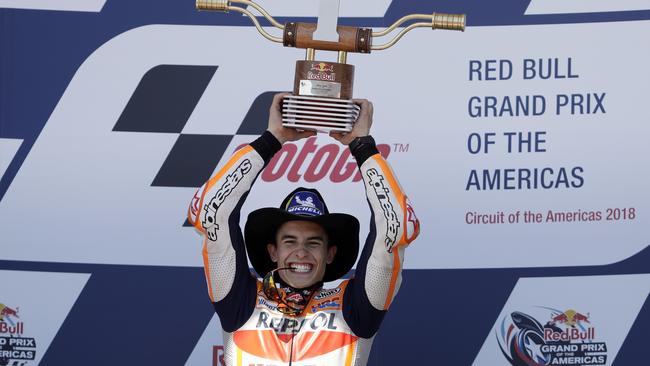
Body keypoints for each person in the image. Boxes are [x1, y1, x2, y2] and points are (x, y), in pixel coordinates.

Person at [188, 93, 420, 365]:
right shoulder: (240, 301)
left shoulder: (355, 310)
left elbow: (394, 226)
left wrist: (362, 146)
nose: (301, 252)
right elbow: (211, 212)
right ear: (272, 251)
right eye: (289, 241)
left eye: (313, 242)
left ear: (330, 253)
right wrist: (271, 139)